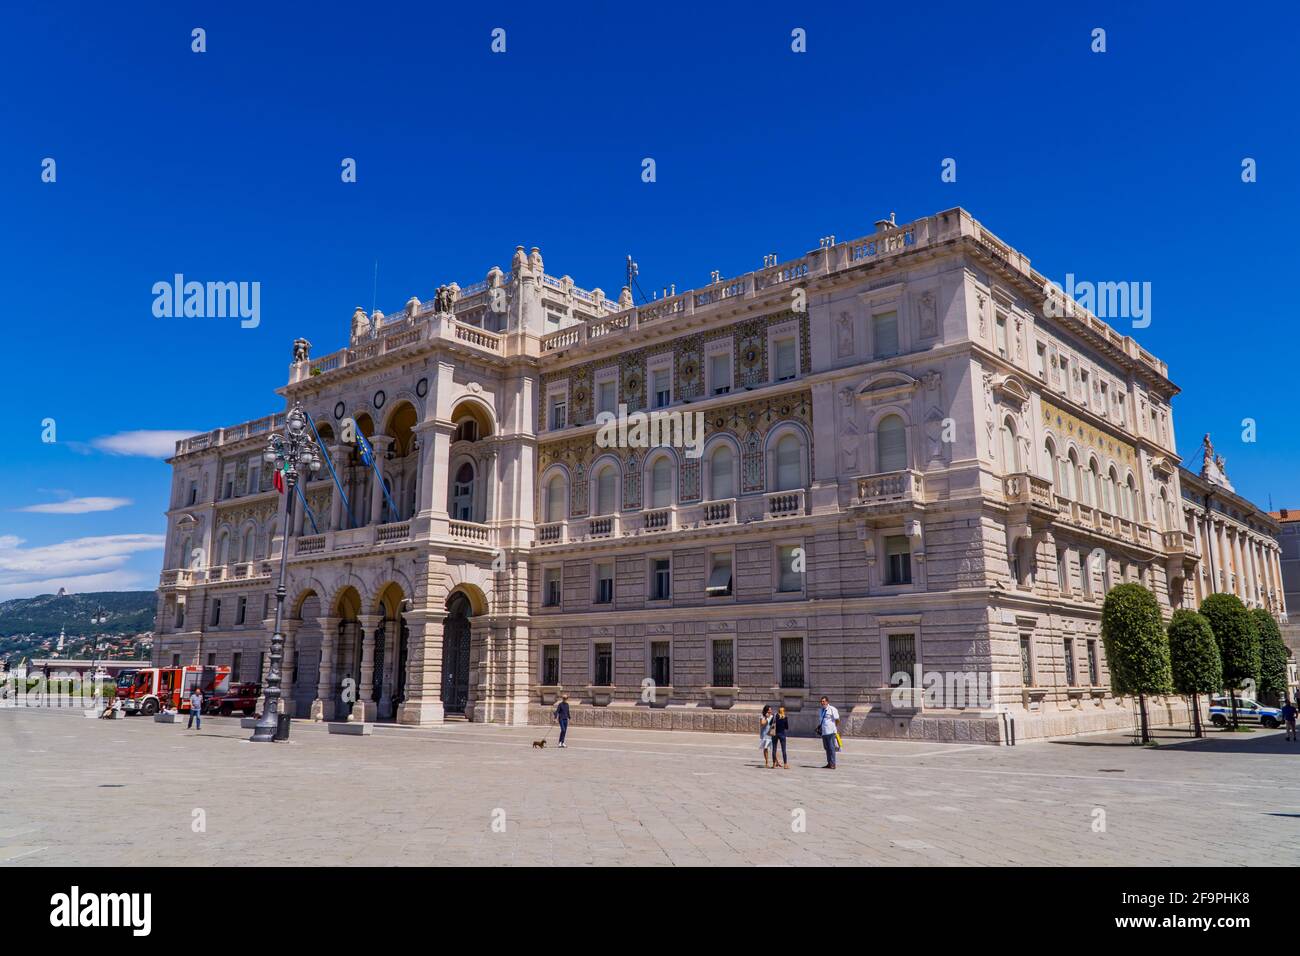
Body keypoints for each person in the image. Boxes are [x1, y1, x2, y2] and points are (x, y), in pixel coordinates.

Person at [817, 696, 841, 769]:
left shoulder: (832, 709)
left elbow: (837, 719)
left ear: (827, 702)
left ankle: (833, 764)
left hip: (831, 732)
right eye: (821, 701)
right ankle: (829, 763)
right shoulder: (821, 710)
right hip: (824, 732)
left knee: (831, 748)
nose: (822, 703)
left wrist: (834, 728)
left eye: (824, 701)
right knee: (826, 748)